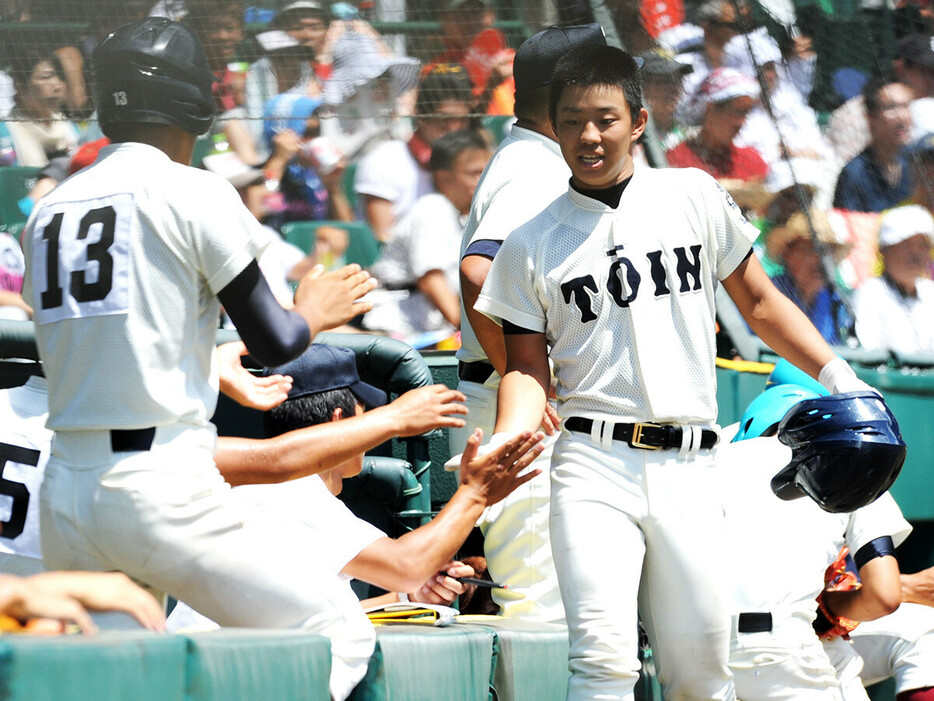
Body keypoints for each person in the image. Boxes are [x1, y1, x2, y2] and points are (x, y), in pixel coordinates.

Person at [475, 42, 874, 699]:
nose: (588, 134)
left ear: (637, 122)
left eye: (604, 118)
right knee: (601, 666)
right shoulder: (529, 240)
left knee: (701, 675)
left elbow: (762, 303)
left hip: (692, 462)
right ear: (554, 123)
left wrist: (838, 374)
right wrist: (506, 434)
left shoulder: (691, 194)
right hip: (593, 461)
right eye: (572, 119)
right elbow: (525, 369)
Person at [18, 18, 381, 700]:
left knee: (112, 681)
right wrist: (316, 308)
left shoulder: (48, 208)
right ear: (195, 101)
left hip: (66, 486)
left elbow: (116, 332)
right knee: (336, 629)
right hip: (161, 483)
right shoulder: (195, 189)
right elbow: (277, 340)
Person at [168, 343, 544, 629]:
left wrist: (409, 596)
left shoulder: (276, 491)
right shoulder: (291, 492)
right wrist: (475, 493)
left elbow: (326, 611)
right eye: (365, 411)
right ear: (339, 419)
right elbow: (405, 564)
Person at [453, 23, 608, 625]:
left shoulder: (532, 158)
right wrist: (521, 375)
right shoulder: (535, 169)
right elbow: (477, 270)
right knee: (538, 606)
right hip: (511, 402)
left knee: (547, 599)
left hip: (511, 396)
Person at [724, 381, 910, 700]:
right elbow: (885, 595)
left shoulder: (712, 451)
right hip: (786, 647)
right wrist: (828, 610)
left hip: (696, 645)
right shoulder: (849, 450)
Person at [361, 129, 491, 343]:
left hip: (427, 332)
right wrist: (474, 332)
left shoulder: (461, 216)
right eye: (474, 173)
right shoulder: (432, 210)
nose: (483, 180)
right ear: (444, 179)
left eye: (485, 172)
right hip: (393, 332)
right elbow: (431, 280)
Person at [354, 62, 474, 242]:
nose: (454, 128)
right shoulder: (384, 161)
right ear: (420, 116)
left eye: (462, 120)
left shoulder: (474, 165)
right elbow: (382, 238)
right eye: (444, 119)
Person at [666, 67, 770, 210]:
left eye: (745, 113)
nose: (741, 122)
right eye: (736, 112)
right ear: (710, 109)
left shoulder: (753, 161)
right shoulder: (675, 160)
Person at [853, 205, 934, 355]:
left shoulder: (931, 292)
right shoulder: (870, 294)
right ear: (884, 250)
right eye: (906, 246)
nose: (915, 254)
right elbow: (870, 352)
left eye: (923, 245)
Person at [766, 209, 855, 345]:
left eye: (826, 251)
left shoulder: (836, 302)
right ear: (788, 253)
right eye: (811, 250)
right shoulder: (768, 293)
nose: (820, 259)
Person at [833, 75, 914, 213]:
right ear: (870, 118)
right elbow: (848, 226)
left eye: (906, 106)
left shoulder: (919, 165)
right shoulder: (854, 173)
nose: (902, 117)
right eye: (891, 108)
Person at [0, 44, 78, 168]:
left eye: (60, 77)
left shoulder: (71, 130)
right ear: (19, 87)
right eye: (46, 77)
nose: (57, 85)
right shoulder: (5, 134)